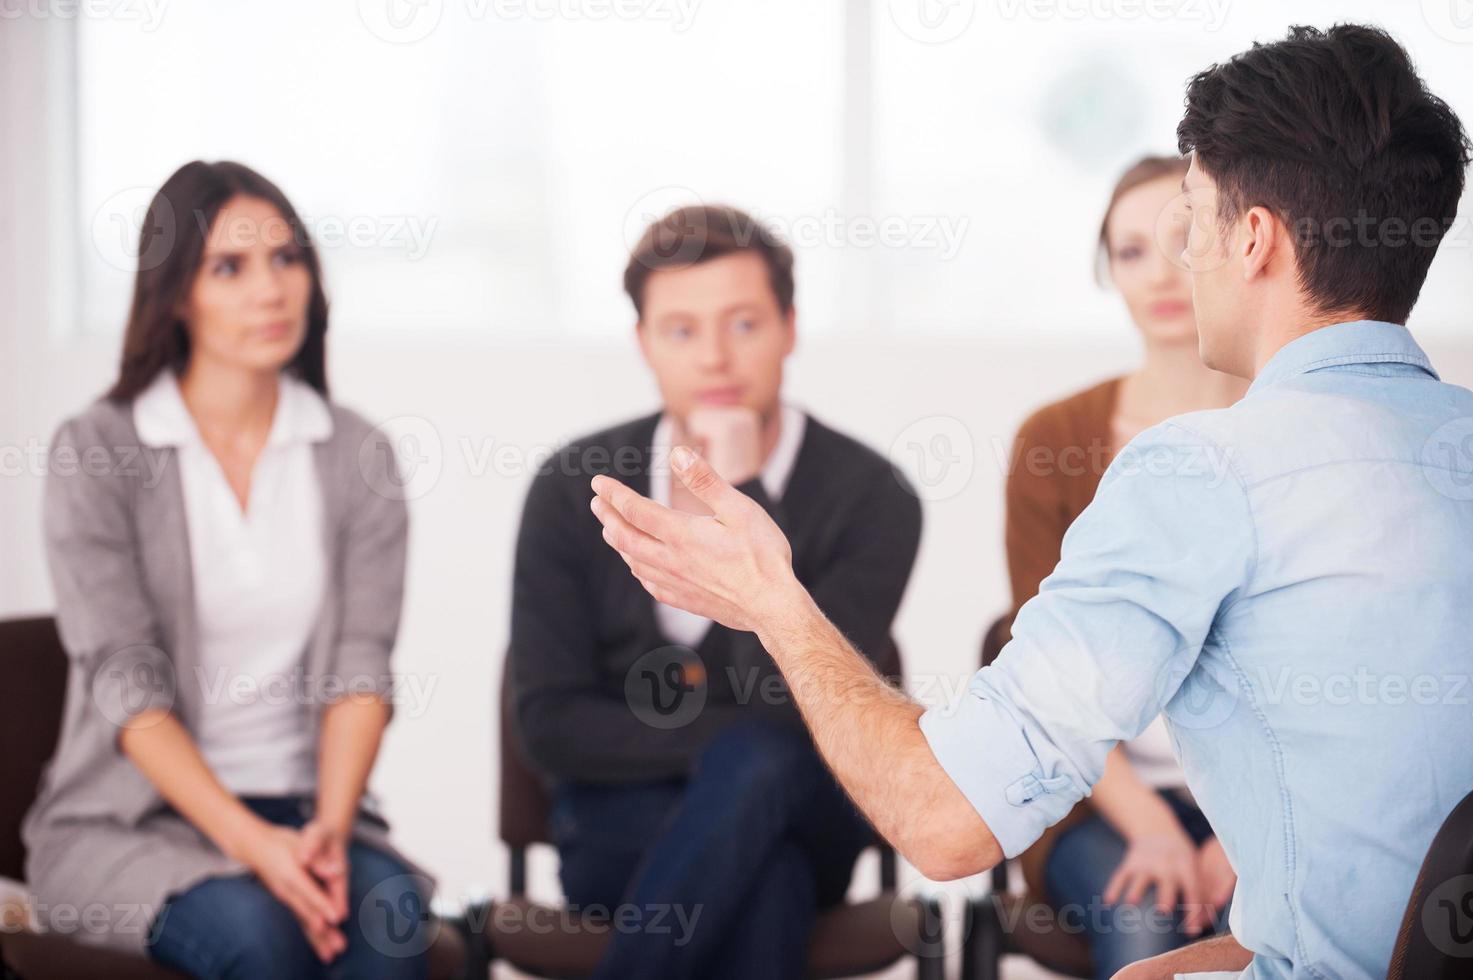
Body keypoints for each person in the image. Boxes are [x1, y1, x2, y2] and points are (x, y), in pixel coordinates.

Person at [589, 24, 1473, 980]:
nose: (1183, 257)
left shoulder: (1203, 470)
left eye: (1194, 220)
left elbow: (943, 824)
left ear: (1252, 238)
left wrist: (773, 602)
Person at [24, 161, 432, 979]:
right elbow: (126, 687)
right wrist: (255, 848)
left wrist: (321, 836)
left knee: (392, 931)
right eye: (229, 268)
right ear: (176, 293)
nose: (272, 290)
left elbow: (362, 668)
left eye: (287, 259)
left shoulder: (358, 455)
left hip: (311, 812)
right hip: (130, 827)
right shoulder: (101, 451)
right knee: (262, 938)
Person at [509, 204, 922, 979]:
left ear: (789, 328)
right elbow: (550, 724)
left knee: (763, 763)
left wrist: (743, 491)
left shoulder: (872, 495)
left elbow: (798, 704)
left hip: (809, 808)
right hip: (616, 827)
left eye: (743, 324)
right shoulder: (573, 487)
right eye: (680, 330)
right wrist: (731, 743)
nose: (714, 358)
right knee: (763, 872)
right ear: (642, 343)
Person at [1003, 154, 1248, 977]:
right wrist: (1145, 821)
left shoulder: (1294, 426)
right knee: (1144, 915)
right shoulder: (1053, 439)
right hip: (1097, 798)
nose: (1160, 273)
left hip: (1268, 799)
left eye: (1182, 240)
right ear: (1106, 270)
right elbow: (1039, 669)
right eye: (1129, 251)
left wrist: (1243, 838)